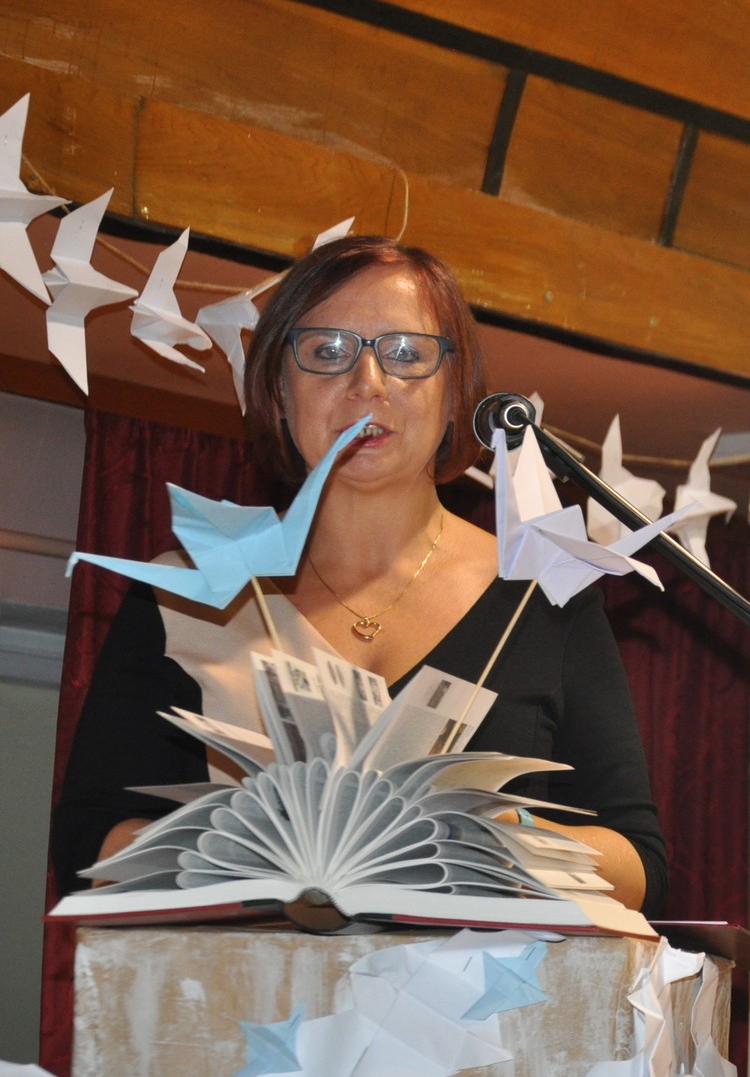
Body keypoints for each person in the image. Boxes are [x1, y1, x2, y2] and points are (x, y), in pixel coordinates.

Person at [51, 236, 667, 912]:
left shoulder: (544, 597)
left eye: (405, 353)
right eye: (326, 351)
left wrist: (496, 840)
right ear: (277, 393)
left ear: (456, 393)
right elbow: (87, 846)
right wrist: (253, 854)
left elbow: (639, 866)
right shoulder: (184, 594)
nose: (368, 382)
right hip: (241, 978)